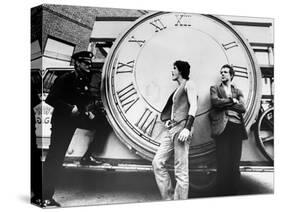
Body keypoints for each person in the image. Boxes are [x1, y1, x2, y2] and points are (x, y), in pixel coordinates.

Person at [41, 51, 107, 207]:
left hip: (74, 119)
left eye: (90, 63)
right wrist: (70, 108)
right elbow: (51, 99)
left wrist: (88, 112)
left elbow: (82, 100)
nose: (88, 65)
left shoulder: (82, 79)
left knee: (102, 123)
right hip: (62, 122)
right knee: (55, 157)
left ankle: (87, 156)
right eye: (85, 63)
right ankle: (45, 197)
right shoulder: (66, 79)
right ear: (77, 63)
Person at [152, 60, 198, 200]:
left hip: (182, 129)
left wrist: (187, 128)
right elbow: (176, 109)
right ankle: (169, 199)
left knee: (181, 170)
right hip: (172, 129)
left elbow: (193, 106)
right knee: (157, 162)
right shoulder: (178, 89)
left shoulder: (189, 84)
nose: (172, 71)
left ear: (180, 70)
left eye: (174, 68)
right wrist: (169, 122)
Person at [209, 64, 248, 196]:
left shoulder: (238, 90)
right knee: (222, 160)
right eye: (221, 72)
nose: (222, 74)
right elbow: (215, 102)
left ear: (231, 75)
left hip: (237, 127)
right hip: (222, 128)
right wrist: (232, 101)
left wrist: (226, 103)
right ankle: (222, 192)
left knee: (235, 161)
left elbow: (243, 108)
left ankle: (234, 192)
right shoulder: (214, 88)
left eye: (225, 72)